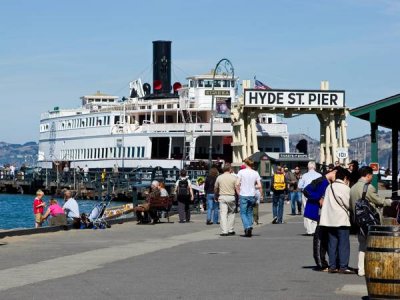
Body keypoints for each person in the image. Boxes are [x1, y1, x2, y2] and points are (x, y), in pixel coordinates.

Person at [349, 166, 393, 277]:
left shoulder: (353, 187)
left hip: (358, 221)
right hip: (369, 221)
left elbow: (350, 205)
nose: (372, 177)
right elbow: (378, 200)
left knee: (362, 246)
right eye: (371, 175)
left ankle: (361, 269)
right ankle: (374, 269)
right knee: (374, 245)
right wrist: (390, 201)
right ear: (368, 175)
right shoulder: (369, 188)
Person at [319, 167, 354, 274]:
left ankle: (332, 266)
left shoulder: (329, 187)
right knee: (343, 244)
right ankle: (343, 266)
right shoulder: (345, 188)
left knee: (332, 243)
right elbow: (349, 204)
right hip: (341, 220)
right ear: (345, 178)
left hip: (329, 220)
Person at [235, 158, 262, 237]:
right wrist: (253, 187)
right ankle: (249, 226)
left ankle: (247, 227)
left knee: (243, 212)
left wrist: (238, 192)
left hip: (243, 194)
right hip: (252, 195)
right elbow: (259, 185)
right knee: (249, 212)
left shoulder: (241, 172)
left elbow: (237, 184)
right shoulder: (255, 173)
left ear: (246, 164)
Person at [298, 161, 322, 235]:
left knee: (307, 210)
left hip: (306, 194)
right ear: (315, 167)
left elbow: (299, 186)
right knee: (315, 210)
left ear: (308, 167)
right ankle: (314, 228)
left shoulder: (304, 175)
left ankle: (309, 230)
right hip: (317, 194)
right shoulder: (319, 175)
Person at [214, 164, 237, 236]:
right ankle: (231, 229)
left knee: (223, 214)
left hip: (222, 197)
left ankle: (224, 231)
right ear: (230, 169)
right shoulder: (234, 178)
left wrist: (216, 195)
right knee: (231, 213)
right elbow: (237, 188)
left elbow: (215, 188)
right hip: (231, 197)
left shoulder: (219, 177)